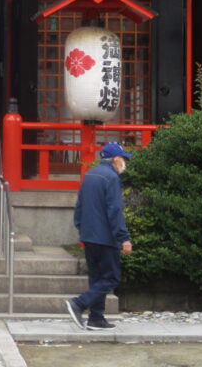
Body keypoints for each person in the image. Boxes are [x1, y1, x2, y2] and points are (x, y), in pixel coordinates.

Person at [65, 142, 133, 331]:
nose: (124, 163)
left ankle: (96, 318)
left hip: (89, 235)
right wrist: (123, 237)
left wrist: (81, 228)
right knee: (111, 278)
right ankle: (79, 303)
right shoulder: (111, 178)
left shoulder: (90, 175)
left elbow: (79, 206)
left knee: (96, 278)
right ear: (115, 159)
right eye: (123, 159)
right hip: (105, 237)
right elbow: (115, 210)